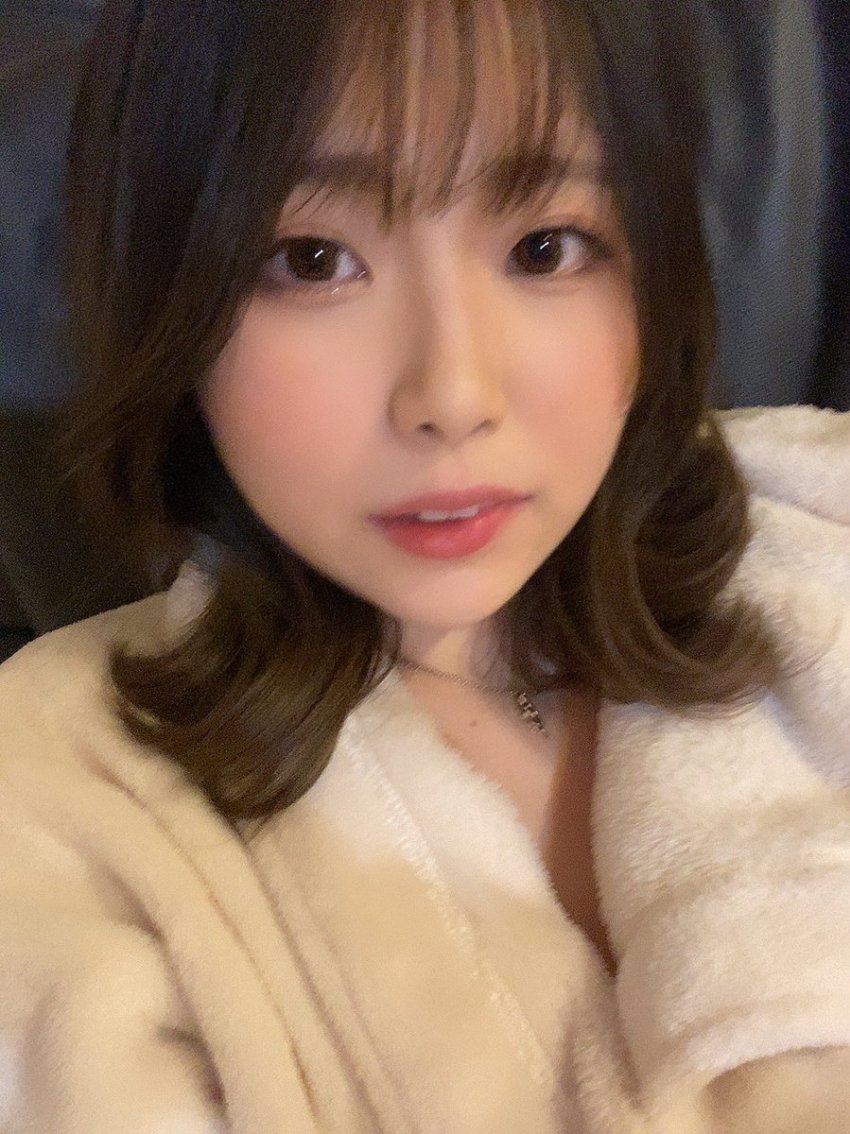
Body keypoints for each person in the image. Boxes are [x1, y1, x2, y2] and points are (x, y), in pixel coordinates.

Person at [0, 1, 847, 1131]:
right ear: (173, 294)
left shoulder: (816, 532)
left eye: (544, 246)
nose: (452, 394)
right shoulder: (50, 800)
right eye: (312, 261)